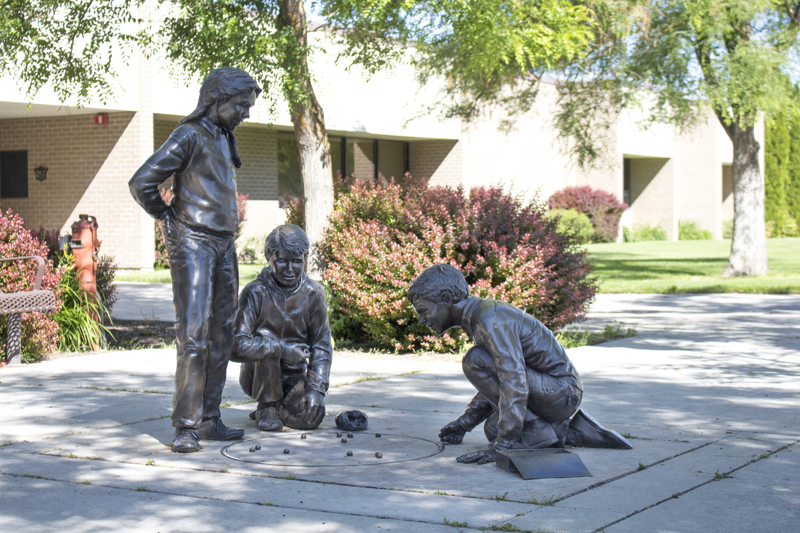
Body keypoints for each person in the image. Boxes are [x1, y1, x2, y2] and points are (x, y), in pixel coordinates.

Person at [129, 67, 261, 452]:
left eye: (248, 107)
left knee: (222, 335)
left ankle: (209, 417)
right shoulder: (188, 134)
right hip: (193, 243)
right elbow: (142, 182)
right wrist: (168, 217)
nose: (245, 113)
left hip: (223, 245)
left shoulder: (223, 136)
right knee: (194, 334)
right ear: (217, 100)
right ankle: (185, 425)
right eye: (241, 105)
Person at [407, 264, 630, 464]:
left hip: (561, 390)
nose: (422, 320)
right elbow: (499, 380)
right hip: (554, 392)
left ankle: (537, 429)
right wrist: (465, 423)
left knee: (474, 361)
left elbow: (513, 380)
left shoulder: (490, 319)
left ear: (446, 298)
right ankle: (571, 431)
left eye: (424, 311)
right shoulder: (480, 316)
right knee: (493, 429)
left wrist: (503, 447)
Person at [232, 224, 332, 431]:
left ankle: (279, 407)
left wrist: (316, 390)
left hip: (295, 375)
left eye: (296, 261)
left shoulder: (314, 293)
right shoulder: (255, 292)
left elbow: (321, 345)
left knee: (310, 418)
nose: (289, 268)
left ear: (304, 259)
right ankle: (266, 406)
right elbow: (236, 344)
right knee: (268, 347)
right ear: (269, 257)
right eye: (282, 261)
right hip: (258, 374)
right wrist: (282, 349)